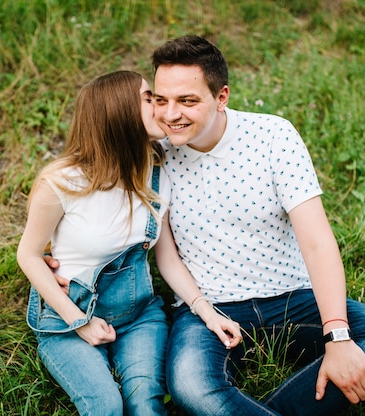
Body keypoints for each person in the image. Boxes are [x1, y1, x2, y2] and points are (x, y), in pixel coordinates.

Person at [149, 35, 365, 416]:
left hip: (292, 298)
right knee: (190, 387)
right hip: (208, 310)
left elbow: (318, 242)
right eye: (160, 100)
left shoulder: (272, 136)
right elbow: (159, 249)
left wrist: (336, 338)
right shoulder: (155, 154)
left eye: (187, 101)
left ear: (221, 98)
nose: (170, 114)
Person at [18, 70, 240, 416]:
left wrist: (208, 313)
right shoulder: (63, 182)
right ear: (119, 111)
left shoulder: (155, 173)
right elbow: (29, 255)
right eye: (149, 98)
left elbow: (167, 259)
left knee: (145, 406)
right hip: (69, 316)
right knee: (105, 407)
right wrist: (79, 322)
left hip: (138, 314)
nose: (162, 108)